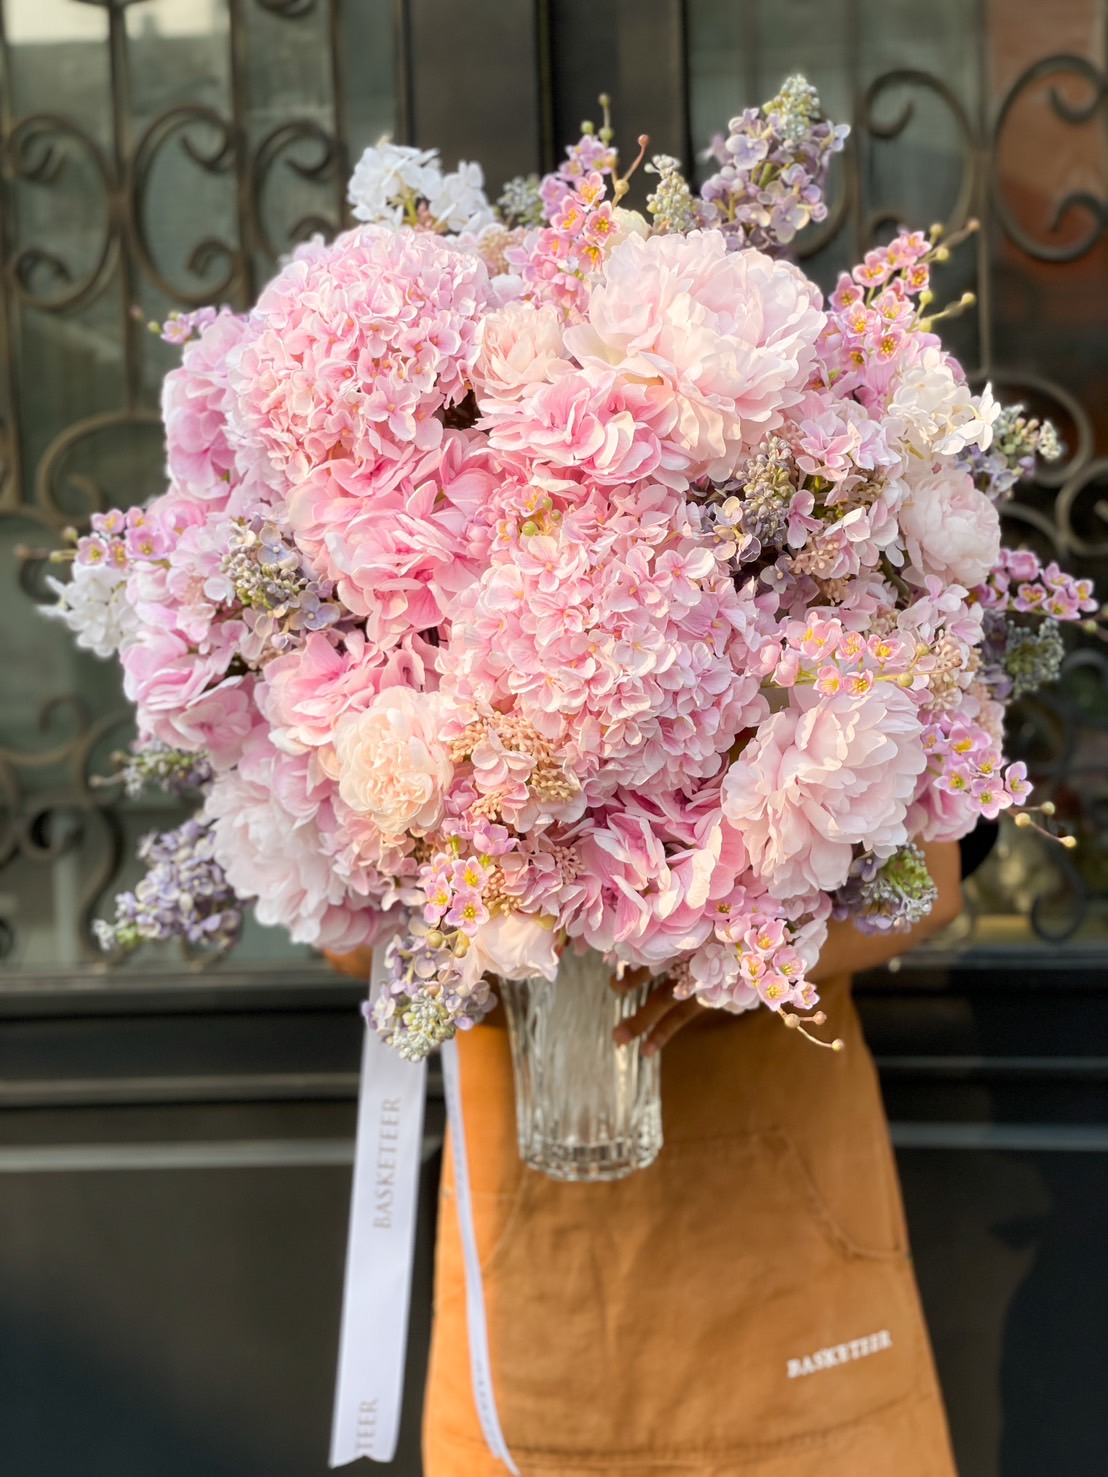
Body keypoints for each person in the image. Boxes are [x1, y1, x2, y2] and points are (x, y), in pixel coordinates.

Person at [325, 837, 966, 1477]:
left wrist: (732, 963)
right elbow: (352, 940)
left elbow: (931, 893)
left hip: (786, 1237)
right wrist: (516, 920)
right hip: (541, 1257)